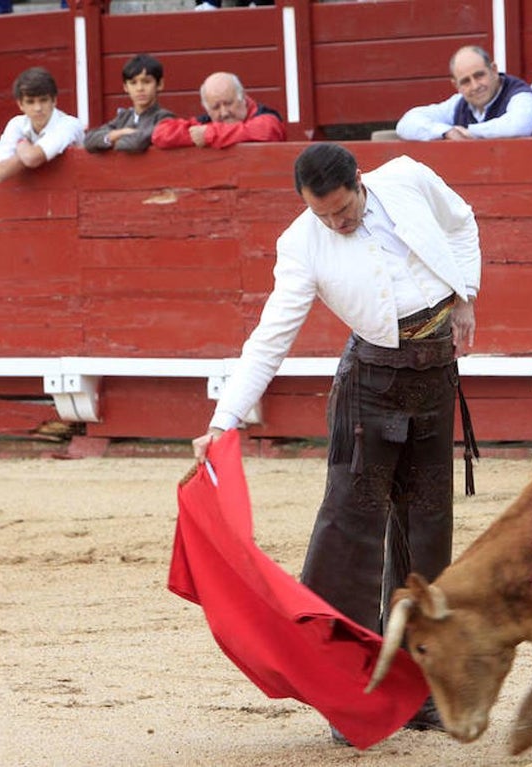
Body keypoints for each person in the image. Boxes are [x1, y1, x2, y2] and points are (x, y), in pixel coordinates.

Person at [190, 142, 480, 738]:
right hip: (368, 392)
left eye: (342, 211)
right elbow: (271, 336)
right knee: (348, 538)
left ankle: (416, 688)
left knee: (426, 536)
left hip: (432, 381)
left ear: (359, 182)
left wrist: (465, 295)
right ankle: (346, 691)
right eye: (323, 215)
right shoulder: (302, 243)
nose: (335, 224)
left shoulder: (407, 179)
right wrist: (225, 419)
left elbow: (463, 222)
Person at [395, 45, 532, 141]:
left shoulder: (521, 95)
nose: (475, 86)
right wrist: (446, 132)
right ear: (456, 85)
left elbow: (519, 125)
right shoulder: (458, 104)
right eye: (466, 81)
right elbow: (406, 124)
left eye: (479, 75)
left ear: (494, 70)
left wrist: (470, 132)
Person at [0, 67, 84, 184]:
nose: (38, 108)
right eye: (30, 102)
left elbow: (32, 158)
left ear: (54, 100)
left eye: (43, 100)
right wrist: (28, 153)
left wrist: (21, 144)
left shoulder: (69, 124)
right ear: (20, 104)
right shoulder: (17, 124)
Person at [151, 72, 285, 148]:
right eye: (215, 107)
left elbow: (267, 130)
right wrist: (196, 137)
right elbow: (161, 134)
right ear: (206, 108)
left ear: (243, 97)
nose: (224, 112)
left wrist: (209, 135)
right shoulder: (206, 124)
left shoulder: (266, 117)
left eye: (228, 103)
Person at [83, 54, 175, 154]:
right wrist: (121, 132)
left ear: (160, 84)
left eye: (146, 82)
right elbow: (88, 140)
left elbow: (134, 143)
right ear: (126, 87)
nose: (140, 88)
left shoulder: (164, 118)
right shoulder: (124, 117)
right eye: (133, 83)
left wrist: (112, 140)